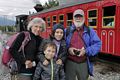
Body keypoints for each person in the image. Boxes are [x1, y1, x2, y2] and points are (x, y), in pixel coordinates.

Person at [65, 9, 102, 80]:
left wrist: (86, 51)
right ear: (73, 18)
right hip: (69, 62)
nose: (78, 18)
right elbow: (61, 44)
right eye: (76, 16)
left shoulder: (90, 31)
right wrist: (69, 49)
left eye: (80, 16)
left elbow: (98, 44)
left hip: (83, 62)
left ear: (84, 18)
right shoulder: (67, 31)